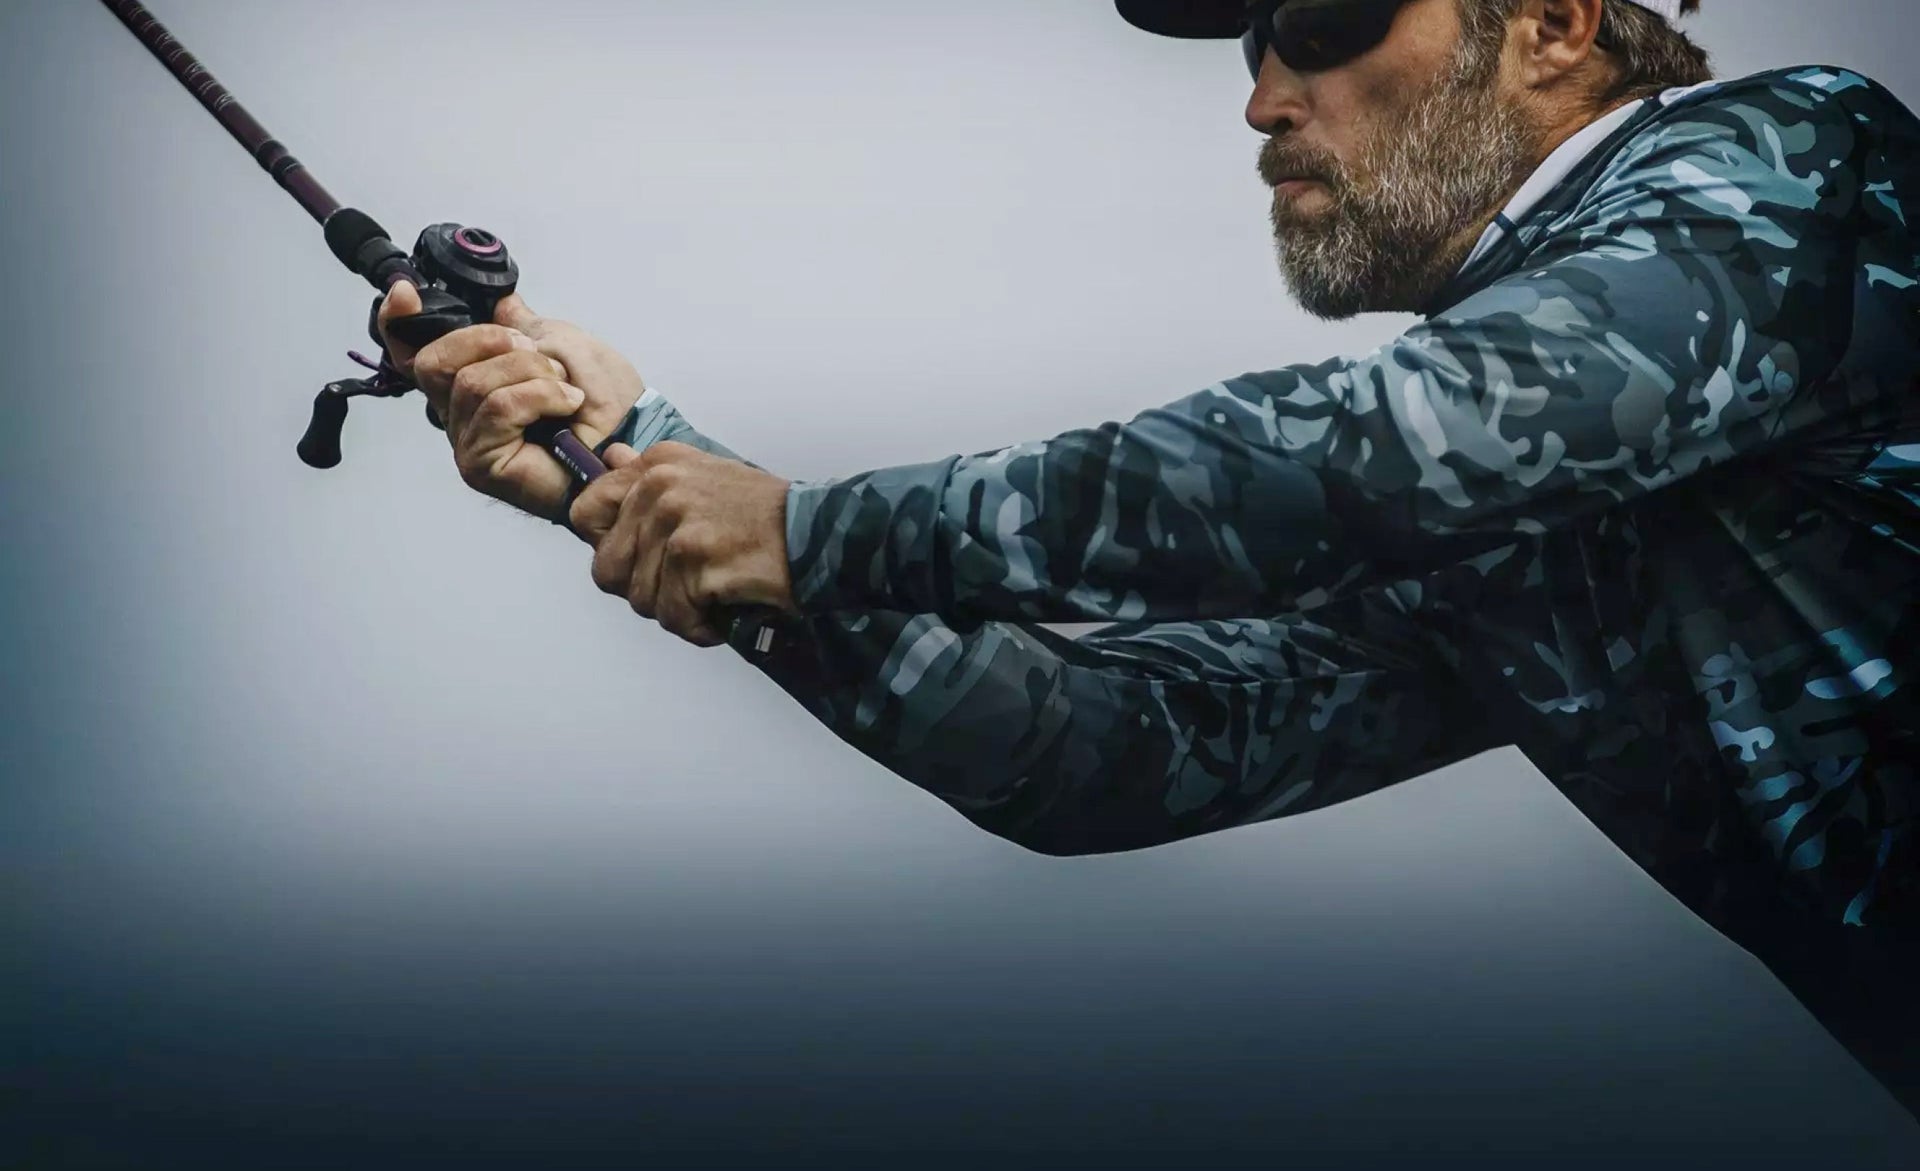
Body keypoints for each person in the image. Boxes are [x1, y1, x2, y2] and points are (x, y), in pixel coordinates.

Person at [378, 0, 1920, 1117]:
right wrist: (641, 467)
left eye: (1318, 20)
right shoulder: (1493, 531)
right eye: (1248, 46)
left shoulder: (1799, 160)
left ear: (1557, 24)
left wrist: (808, 530)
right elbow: (1105, 754)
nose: (1261, 97)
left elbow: (1392, 449)